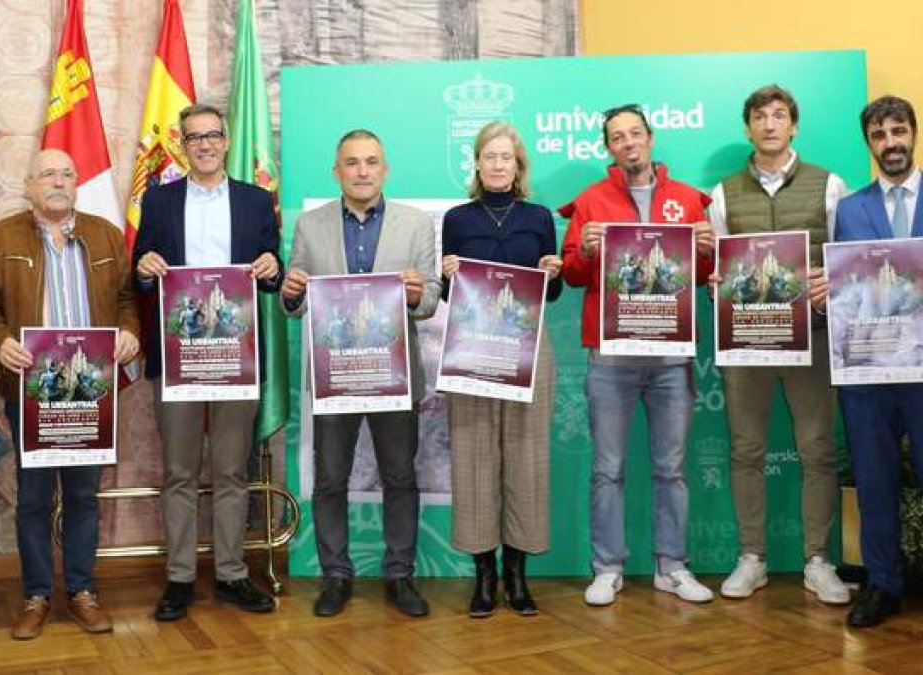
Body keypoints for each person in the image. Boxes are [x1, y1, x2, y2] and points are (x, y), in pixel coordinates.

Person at [0, 148, 140, 639]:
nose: (58, 181)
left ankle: (82, 591)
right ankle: (35, 595)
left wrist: (130, 332)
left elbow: (127, 298)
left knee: (84, 495)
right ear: (29, 184)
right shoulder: (2, 237)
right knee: (32, 497)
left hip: (91, 388)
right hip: (31, 388)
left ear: (76, 182)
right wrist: (0, 341)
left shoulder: (104, 234)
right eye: (47, 174)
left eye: (67, 173)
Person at [558, 104, 716, 606]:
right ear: (608, 148)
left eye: (634, 133)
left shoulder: (690, 199)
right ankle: (607, 567)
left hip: (671, 355)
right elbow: (571, 275)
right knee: (608, 468)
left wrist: (710, 249)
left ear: (650, 137)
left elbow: (705, 274)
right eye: (616, 137)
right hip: (611, 357)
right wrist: (582, 249)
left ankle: (673, 565)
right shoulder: (590, 200)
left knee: (671, 468)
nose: (627, 142)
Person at [280, 129, 441, 618]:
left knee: (400, 477)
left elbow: (432, 295)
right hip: (335, 376)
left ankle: (400, 575)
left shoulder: (415, 225)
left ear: (384, 169)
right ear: (338, 172)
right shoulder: (310, 226)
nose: (363, 170)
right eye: (352, 162)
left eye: (371, 161)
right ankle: (336, 576)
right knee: (330, 479)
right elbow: (295, 300)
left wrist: (417, 295)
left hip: (395, 374)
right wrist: (291, 292)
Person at [133, 103, 281, 622]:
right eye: (193, 137)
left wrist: (272, 266)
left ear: (225, 140)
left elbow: (274, 269)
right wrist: (147, 268)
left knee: (230, 470)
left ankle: (232, 574)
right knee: (177, 470)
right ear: (182, 144)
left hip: (237, 357)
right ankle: (178, 579)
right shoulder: (158, 201)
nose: (204, 145)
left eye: (213, 135)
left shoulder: (257, 201)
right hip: (178, 355)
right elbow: (141, 272)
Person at [706, 85, 850, 605]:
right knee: (746, 450)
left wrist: (825, 279)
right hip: (747, 346)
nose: (769, 124)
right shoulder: (722, 193)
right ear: (748, 127)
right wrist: (715, 281)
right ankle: (752, 558)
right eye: (760, 117)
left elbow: (845, 259)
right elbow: (718, 265)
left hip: (811, 338)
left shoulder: (829, 185)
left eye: (779, 115)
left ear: (793, 126)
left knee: (817, 450)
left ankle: (817, 561)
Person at [440, 121, 563, 618]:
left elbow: (550, 294)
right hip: (471, 351)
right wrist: (445, 275)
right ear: (476, 163)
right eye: (489, 156)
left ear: (519, 166)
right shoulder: (456, 218)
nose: (497, 165)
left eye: (506, 157)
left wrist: (552, 274)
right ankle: (483, 578)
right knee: (473, 461)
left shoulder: (538, 217)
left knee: (526, 460)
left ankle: (517, 577)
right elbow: (450, 294)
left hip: (528, 350)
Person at [832, 95, 923, 628]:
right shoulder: (850, 207)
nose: (890, 143)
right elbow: (847, 283)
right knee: (874, 478)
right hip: (868, 368)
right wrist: (827, 293)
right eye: (879, 135)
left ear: (913, 133)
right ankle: (883, 585)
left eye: (898, 131)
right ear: (869, 144)